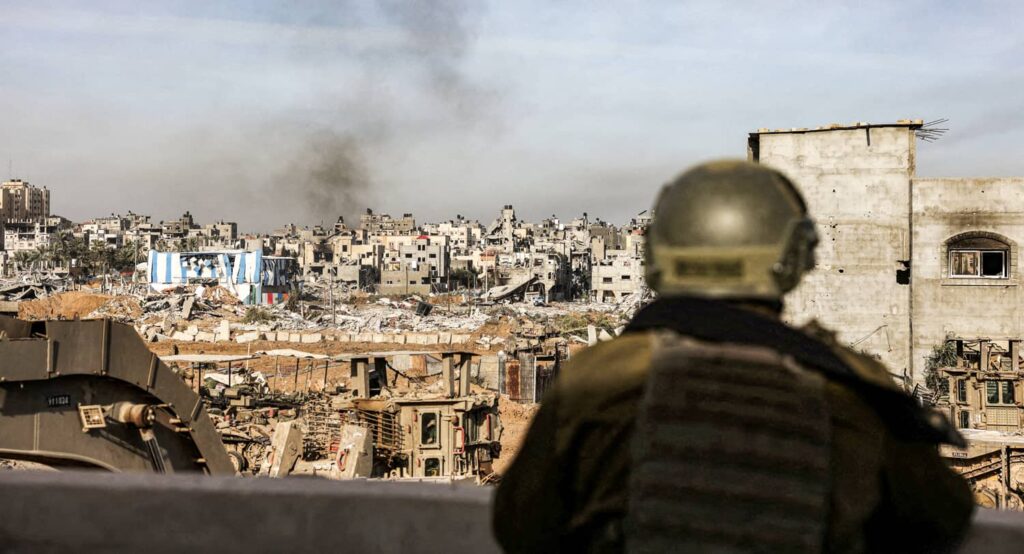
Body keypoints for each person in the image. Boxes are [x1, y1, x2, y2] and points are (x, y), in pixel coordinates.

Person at [492, 160, 973, 553]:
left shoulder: (598, 377)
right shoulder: (852, 386)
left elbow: (521, 528)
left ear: (657, 256)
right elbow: (938, 519)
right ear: (794, 257)